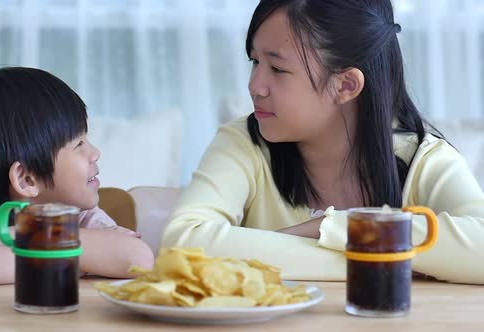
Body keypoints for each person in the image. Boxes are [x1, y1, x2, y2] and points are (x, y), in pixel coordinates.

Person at [162, 0, 484, 284]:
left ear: (345, 85)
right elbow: (183, 244)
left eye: (277, 68)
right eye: (255, 61)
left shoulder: (423, 160)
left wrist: (334, 228)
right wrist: (386, 257)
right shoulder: (243, 144)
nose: (255, 85)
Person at [0, 67, 154, 287]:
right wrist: (84, 259)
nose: (95, 153)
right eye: (79, 144)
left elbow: (138, 258)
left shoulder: (82, 215)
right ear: (27, 179)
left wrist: (3, 237)